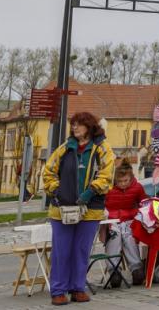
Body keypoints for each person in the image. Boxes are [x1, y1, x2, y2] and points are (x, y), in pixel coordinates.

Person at [42, 111, 115, 306]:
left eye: (78, 124)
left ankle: (77, 288)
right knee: (61, 251)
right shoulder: (65, 148)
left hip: (90, 210)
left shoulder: (102, 149)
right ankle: (58, 290)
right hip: (62, 210)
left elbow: (107, 175)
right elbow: (48, 171)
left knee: (81, 251)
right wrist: (57, 191)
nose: (74, 127)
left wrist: (90, 192)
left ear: (89, 127)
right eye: (72, 124)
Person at [102, 161, 147, 286]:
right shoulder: (108, 188)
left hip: (129, 218)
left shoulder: (137, 187)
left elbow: (143, 203)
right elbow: (101, 204)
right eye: (119, 181)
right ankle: (114, 272)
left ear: (131, 178)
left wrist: (137, 214)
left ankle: (137, 270)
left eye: (125, 181)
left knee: (129, 238)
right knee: (114, 238)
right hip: (111, 220)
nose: (122, 184)